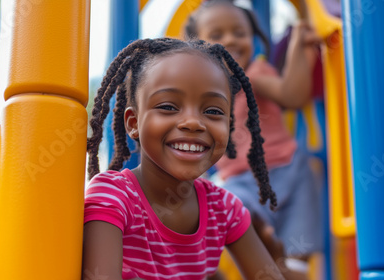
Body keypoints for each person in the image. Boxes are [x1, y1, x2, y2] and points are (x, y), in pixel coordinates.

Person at [82, 37, 304, 280]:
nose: (193, 123)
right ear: (134, 124)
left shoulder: (225, 209)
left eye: (212, 111)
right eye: (168, 106)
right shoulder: (113, 197)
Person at [184, 0, 323, 268]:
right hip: (241, 182)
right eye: (217, 35)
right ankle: (265, 256)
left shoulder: (254, 74)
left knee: (298, 253)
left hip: (292, 173)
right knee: (232, 212)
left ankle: (291, 267)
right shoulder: (199, 94)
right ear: (196, 46)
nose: (230, 40)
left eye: (239, 33)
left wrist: (298, 47)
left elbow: (292, 96)